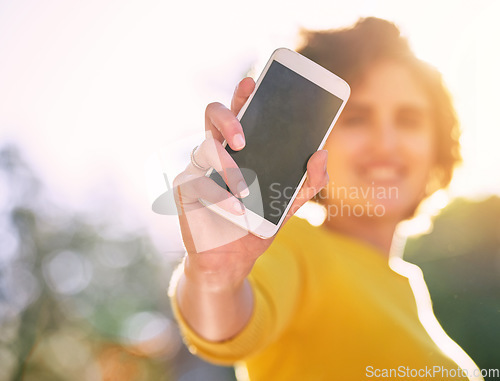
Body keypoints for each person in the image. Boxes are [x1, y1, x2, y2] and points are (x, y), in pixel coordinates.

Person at [168, 17, 480, 380]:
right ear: (316, 140)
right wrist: (214, 279)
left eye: (408, 120)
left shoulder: (412, 291)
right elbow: (226, 322)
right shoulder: (292, 248)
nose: (386, 143)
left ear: (437, 143)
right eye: (357, 119)